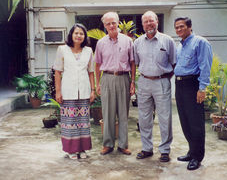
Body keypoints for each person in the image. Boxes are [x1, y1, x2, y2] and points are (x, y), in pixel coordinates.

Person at [134, 11, 176, 162]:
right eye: (145, 22)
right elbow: (137, 63)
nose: (149, 24)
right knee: (144, 117)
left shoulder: (167, 40)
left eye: (151, 21)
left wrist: (163, 77)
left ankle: (165, 150)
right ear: (143, 24)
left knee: (165, 117)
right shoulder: (137, 43)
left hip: (162, 82)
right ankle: (147, 148)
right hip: (144, 82)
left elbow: (174, 63)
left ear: (157, 21)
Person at [174, 17, 213, 170]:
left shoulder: (200, 42)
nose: (178, 30)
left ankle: (197, 157)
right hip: (180, 84)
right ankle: (191, 151)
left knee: (196, 122)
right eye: (176, 27)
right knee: (185, 120)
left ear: (190, 26)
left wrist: (202, 89)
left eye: (181, 26)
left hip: (193, 84)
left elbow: (205, 66)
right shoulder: (181, 45)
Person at [95, 11, 136, 156]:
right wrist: (97, 84)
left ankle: (123, 145)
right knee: (108, 113)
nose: (111, 25)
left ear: (118, 22)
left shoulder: (128, 41)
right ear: (104, 25)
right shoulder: (101, 43)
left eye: (113, 22)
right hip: (106, 79)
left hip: (124, 78)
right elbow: (97, 64)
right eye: (108, 23)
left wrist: (132, 82)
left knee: (124, 114)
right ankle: (108, 144)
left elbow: (132, 63)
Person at [54, 23, 95, 160]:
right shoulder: (62, 49)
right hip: (68, 90)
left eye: (81, 33)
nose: (79, 36)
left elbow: (91, 72)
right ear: (71, 34)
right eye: (76, 33)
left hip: (84, 90)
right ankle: (71, 150)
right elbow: (58, 72)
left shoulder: (88, 51)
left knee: (83, 121)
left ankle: (82, 149)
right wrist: (58, 91)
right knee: (70, 122)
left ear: (85, 36)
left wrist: (93, 90)